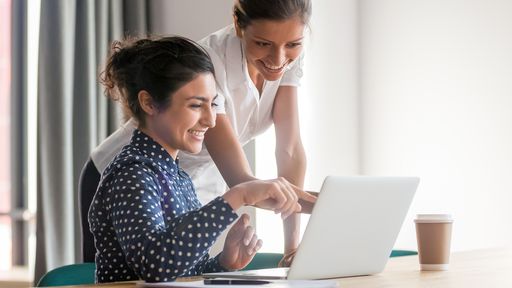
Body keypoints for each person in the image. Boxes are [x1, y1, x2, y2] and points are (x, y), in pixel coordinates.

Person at [87, 0, 313, 266]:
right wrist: (241, 195)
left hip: (177, 172)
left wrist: (290, 249)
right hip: (131, 172)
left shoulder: (180, 180)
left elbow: (289, 150)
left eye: (293, 45)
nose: (279, 59)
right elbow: (154, 263)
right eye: (263, 44)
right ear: (238, 25)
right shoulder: (205, 64)